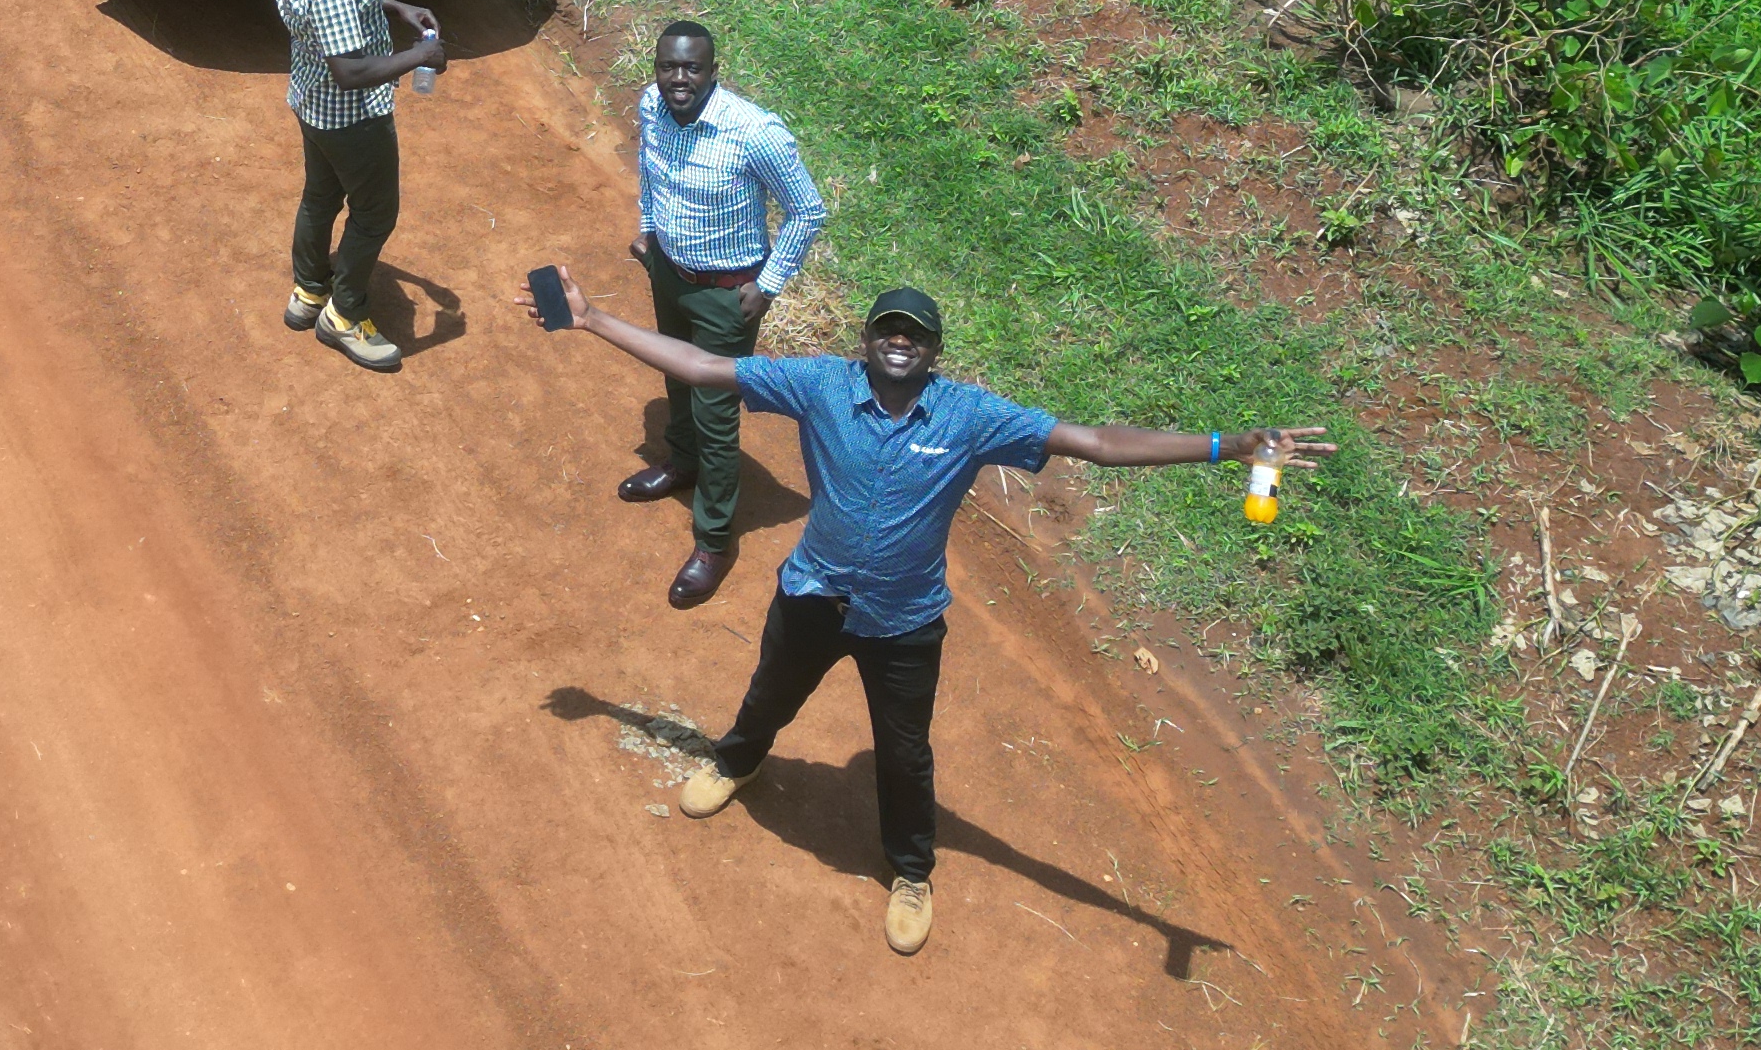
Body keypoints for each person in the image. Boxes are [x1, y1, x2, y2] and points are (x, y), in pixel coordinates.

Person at [528, 272, 1334, 956]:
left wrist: (1227, 445)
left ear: (935, 350)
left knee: (905, 753)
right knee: (770, 693)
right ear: (867, 339)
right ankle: (737, 761)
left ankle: (911, 871)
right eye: (887, 331)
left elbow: (1095, 441)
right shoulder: (821, 386)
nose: (900, 343)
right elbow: (704, 366)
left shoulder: (971, 417)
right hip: (813, 591)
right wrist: (593, 316)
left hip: (905, 621)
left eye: (915, 335)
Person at [623, 21, 825, 611]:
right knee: (675, 379)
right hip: (668, 273)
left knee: (716, 414)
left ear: (714, 71)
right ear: (657, 66)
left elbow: (806, 212)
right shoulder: (651, 107)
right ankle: (680, 463)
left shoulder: (754, 132)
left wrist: (768, 284)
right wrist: (648, 232)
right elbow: (649, 169)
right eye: (668, 67)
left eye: (692, 69)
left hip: (727, 294)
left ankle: (713, 541)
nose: (678, 79)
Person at [272, 0, 445, 372]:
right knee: (373, 214)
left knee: (320, 196)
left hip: (310, 101)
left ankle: (306, 293)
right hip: (352, 115)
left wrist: (393, 8)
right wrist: (421, 55)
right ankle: (344, 316)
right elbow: (349, 71)